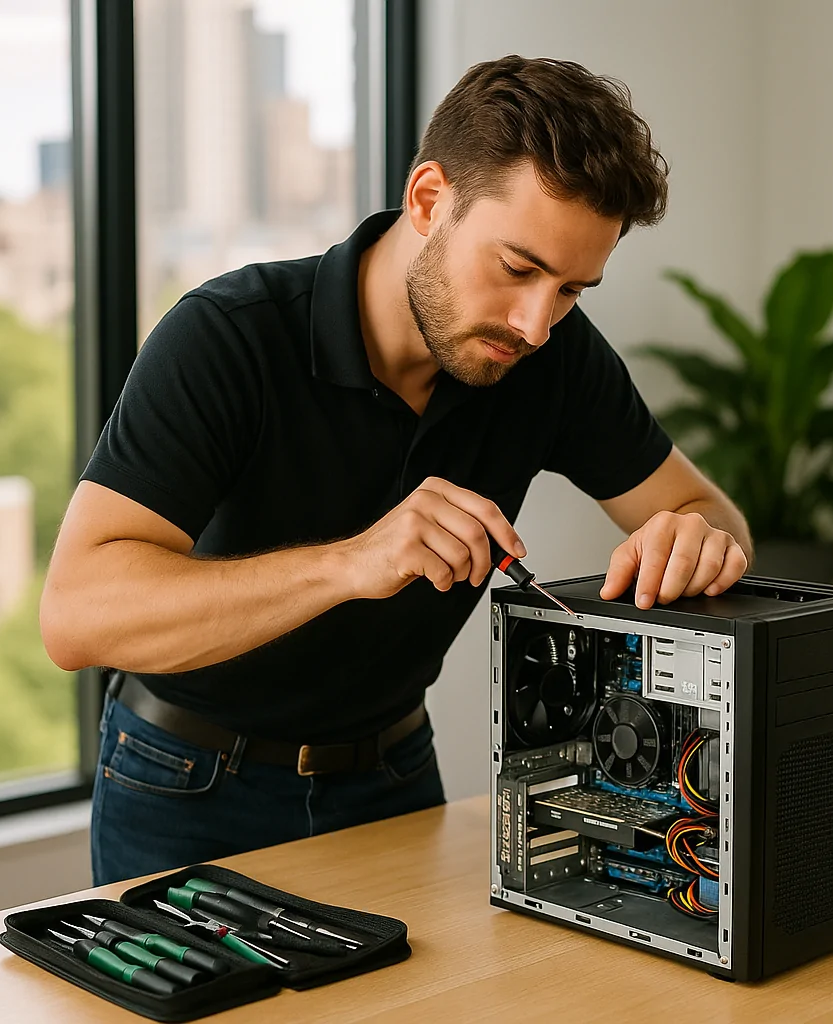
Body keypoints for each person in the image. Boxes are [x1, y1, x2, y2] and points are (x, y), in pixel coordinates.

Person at [40, 56, 752, 885]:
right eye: (517, 269)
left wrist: (698, 539)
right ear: (428, 200)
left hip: (393, 778)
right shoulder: (227, 338)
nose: (535, 323)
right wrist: (351, 563)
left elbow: (711, 512)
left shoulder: (549, 360)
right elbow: (77, 616)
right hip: (184, 784)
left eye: (571, 291)